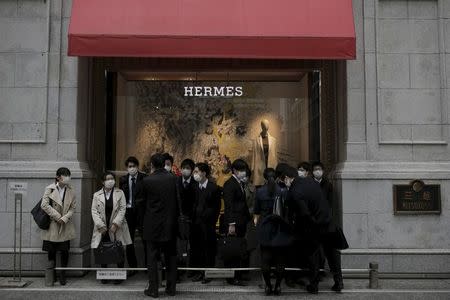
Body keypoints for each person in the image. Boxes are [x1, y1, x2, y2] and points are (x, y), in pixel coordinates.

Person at [283, 166, 332, 294]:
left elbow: (304, 212)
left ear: (287, 178)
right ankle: (337, 281)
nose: (284, 183)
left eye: (284, 180)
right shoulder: (310, 181)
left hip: (312, 225)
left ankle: (313, 284)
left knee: (312, 255)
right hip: (325, 220)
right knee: (324, 253)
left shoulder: (295, 190)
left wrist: (310, 225)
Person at [140, 153, 179, 298]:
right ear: (165, 164)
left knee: (152, 257)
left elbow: (142, 204)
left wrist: (141, 223)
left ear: (152, 165)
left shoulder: (147, 180)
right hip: (170, 224)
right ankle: (171, 289)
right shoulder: (174, 179)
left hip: (152, 225)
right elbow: (178, 202)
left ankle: (153, 289)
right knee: (171, 257)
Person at [91, 172, 131, 284]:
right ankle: (104, 275)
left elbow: (123, 209)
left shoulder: (120, 192)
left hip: (117, 226)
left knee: (119, 249)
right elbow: (94, 211)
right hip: (103, 227)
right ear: (103, 182)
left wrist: (116, 223)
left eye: (112, 178)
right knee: (104, 249)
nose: (110, 181)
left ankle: (119, 275)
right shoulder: (96, 195)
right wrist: (100, 226)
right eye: (108, 179)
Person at [253, 168, 288, 296]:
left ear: (264, 178)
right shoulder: (283, 191)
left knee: (265, 258)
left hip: (265, 227)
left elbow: (256, 210)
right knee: (280, 260)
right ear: (277, 177)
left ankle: (268, 286)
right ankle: (278, 286)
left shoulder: (260, 191)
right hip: (279, 227)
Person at [311, 161, 344, 292]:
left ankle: (338, 281)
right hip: (320, 223)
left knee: (331, 254)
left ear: (323, 170)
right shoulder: (311, 184)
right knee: (318, 254)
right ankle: (315, 282)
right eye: (315, 169)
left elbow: (331, 205)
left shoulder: (328, 185)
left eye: (319, 169)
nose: (317, 171)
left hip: (324, 224)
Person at [41, 167, 76, 286]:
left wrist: (64, 218)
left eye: (68, 175)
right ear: (58, 177)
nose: (67, 178)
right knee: (51, 251)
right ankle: (52, 275)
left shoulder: (71, 190)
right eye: (64, 176)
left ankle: (62, 275)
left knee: (64, 251)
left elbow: (73, 208)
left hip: (65, 225)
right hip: (52, 224)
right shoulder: (50, 189)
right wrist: (57, 217)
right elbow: (44, 205)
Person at [190, 162, 222, 283]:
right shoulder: (194, 187)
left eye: (197, 171)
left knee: (208, 250)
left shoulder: (213, 188)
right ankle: (199, 272)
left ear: (204, 173)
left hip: (208, 225)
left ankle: (208, 273)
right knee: (198, 249)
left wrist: (209, 220)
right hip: (196, 225)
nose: (195, 174)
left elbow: (216, 207)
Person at [222, 159, 251, 286]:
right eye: (241, 170)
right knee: (233, 250)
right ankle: (232, 277)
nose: (243, 173)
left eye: (244, 170)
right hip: (234, 224)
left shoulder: (239, 183)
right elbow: (229, 206)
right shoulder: (230, 184)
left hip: (241, 222)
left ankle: (239, 274)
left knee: (239, 250)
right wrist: (231, 224)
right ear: (234, 170)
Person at [119, 156, 147, 276]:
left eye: (133, 166)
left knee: (145, 239)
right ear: (127, 168)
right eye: (129, 166)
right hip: (128, 211)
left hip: (141, 211)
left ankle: (147, 266)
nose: (132, 168)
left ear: (137, 166)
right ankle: (133, 266)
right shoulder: (123, 179)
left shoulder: (144, 178)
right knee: (128, 240)